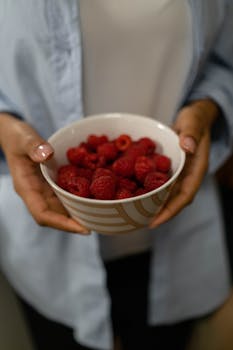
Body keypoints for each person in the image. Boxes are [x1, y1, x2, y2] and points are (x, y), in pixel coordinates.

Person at [0, 1, 233, 349]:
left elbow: (226, 61)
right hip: (47, 251)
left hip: (175, 227)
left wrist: (207, 106)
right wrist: (3, 128)